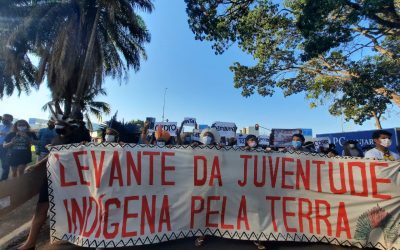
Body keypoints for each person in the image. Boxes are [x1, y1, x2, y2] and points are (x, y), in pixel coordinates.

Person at [19, 120, 79, 250]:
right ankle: (30, 243)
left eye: (60, 125)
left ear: (68, 127)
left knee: (71, 209)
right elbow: (51, 154)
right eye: (56, 125)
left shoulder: (76, 139)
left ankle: (76, 237)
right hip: (52, 177)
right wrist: (37, 165)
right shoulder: (56, 138)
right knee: (41, 208)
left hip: (69, 181)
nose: (58, 127)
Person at [0, 114, 13, 180]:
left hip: (7, 147)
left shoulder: (13, 127)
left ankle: (3, 180)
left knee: (5, 164)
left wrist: (3, 133)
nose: (3, 120)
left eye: (5, 119)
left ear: (10, 119)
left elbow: (12, 135)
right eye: (3, 119)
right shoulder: (1, 126)